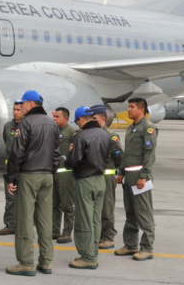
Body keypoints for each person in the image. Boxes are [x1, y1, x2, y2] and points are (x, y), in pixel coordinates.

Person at [5, 90, 60, 276]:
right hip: (47, 175)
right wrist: (50, 173)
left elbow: (17, 152)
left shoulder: (26, 123)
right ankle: (46, 261)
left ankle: (26, 262)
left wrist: (11, 177)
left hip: (29, 175)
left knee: (25, 219)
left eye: (23, 104)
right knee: (45, 220)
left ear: (30, 104)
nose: (21, 107)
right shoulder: (52, 124)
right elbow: (56, 154)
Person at [65, 106, 110, 270]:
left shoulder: (81, 136)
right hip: (100, 180)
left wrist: (66, 160)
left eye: (77, 121)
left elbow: (72, 161)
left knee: (84, 219)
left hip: (85, 180)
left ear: (81, 119)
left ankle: (88, 257)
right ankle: (93, 252)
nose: (77, 125)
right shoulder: (105, 133)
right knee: (95, 219)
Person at [115, 98, 158, 261]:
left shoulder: (148, 128)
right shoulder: (131, 127)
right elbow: (127, 154)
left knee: (144, 212)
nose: (128, 110)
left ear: (141, 109)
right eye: (128, 106)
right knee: (131, 212)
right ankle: (131, 244)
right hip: (129, 175)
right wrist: (121, 172)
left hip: (140, 176)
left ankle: (147, 248)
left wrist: (144, 176)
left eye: (132, 107)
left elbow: (150, 154)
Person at [91, 104, 122, 250]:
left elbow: (119, 157)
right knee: (95, 208)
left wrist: (114, 169)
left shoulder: (111, 136)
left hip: (106, 177)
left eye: (94, 117)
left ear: (102, 118)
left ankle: (108, 236)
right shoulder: (92, 134)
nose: (91, 120)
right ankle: (98, 234)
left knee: (106, 208)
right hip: (94, 176)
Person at [0, 101, 23, 236]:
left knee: (25, 197)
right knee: (10, 196)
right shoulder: (8, 126)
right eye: (14, 109)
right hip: (10, 166)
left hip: (23, 167)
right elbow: (7, 144)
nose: (16, 112)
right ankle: (10, 224)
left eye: (19, 109)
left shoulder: (27, 125)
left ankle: (24, 225)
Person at [51, 107, 76, 244]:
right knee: (54, 204)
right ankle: (55, 230)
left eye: (57, 117)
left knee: (67, 205)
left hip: (66, 174)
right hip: (54, 173)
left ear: (65, 119)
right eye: (54, 116)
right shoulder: (53, 131)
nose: (54, 119)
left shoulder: (71, 132)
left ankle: (67, 232)